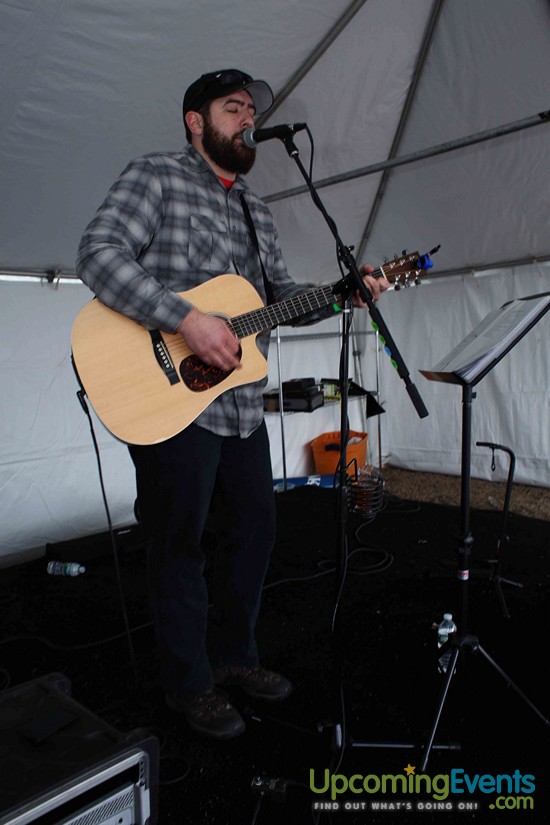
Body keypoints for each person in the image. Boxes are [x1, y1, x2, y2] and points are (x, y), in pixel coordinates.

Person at [75, 68, 390, 740]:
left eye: (252, 109)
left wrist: (345, 292)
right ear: (196, 120)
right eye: (233, 106)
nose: (247, 117)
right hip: (168, 401)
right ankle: (189, 683)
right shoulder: (155, 176)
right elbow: (99, 253)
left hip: (240, 403)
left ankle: (234, 658)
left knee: (253, 533)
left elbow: (279, 296)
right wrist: (184, 318)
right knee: (178, 544)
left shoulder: (258, 209)